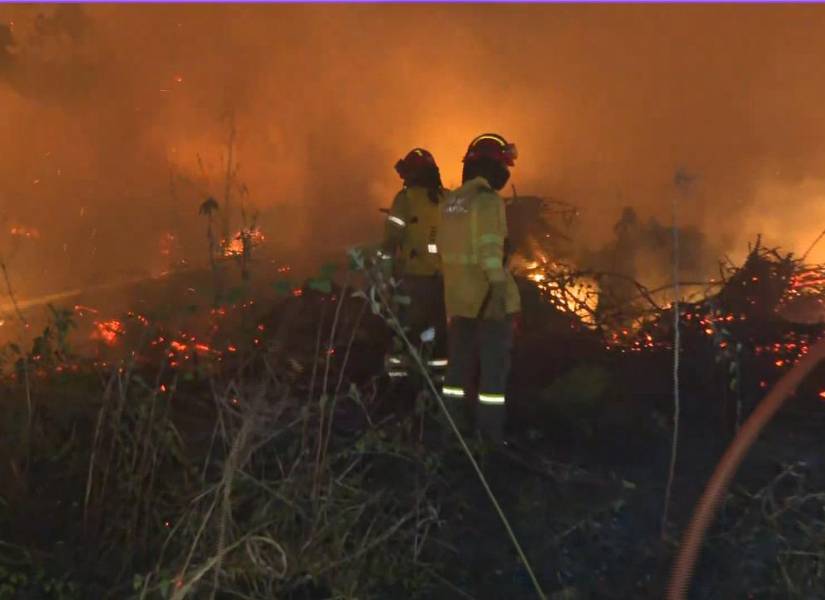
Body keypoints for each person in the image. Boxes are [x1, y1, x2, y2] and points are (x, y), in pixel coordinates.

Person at [437, 133, 521, 443]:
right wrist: (499, 293)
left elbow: (444, 250)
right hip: (488, 302)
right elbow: (489, 253)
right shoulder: (488, 201)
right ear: (492, 167)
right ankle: (489, 440)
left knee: (456, 374)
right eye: (503, 166)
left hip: (458, 301)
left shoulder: (451, 202)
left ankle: (451, 433)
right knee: (493, 377)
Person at [379, 148, 449, 378]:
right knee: (438, 334)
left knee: (407, 331)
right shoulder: (447, 198)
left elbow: (391, 240)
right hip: (443, 280)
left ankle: (398, 383)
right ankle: (436, 385)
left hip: (414, 280)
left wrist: (385, 276)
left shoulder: (405, 199)